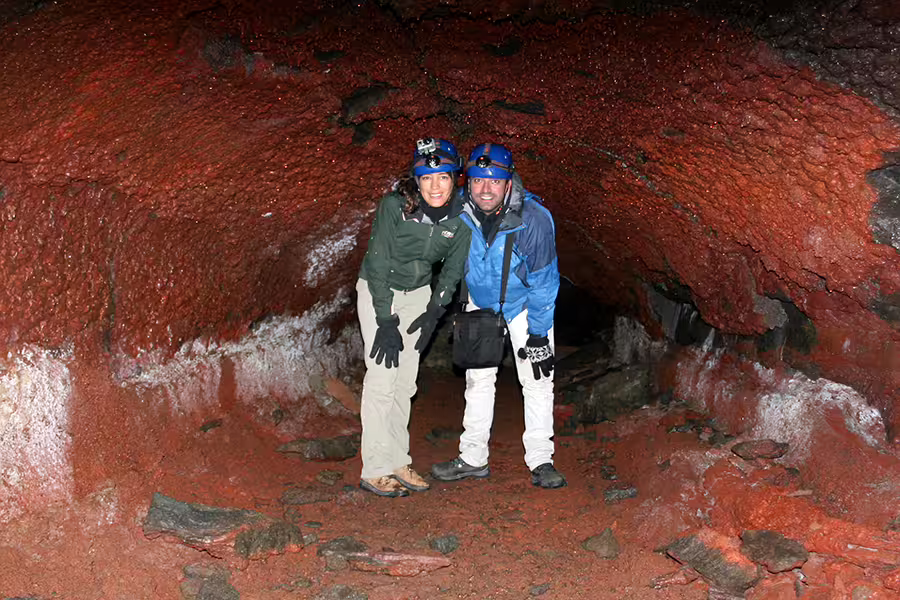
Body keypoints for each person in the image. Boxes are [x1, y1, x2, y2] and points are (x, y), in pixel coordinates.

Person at [431, 143, 566, 489]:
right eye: (477, 181)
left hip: (523, 306)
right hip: (481, 303)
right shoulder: (458, 209)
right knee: (478, 381)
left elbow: (544, 281)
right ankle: (473, 458)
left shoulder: (533, 220)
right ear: (467, 183)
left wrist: (538, 333)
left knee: (537, 380)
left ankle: (541, 460)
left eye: (494, 181)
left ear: (509, 183)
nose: (485, 189)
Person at [356, 138, 472, 497]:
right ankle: (374, 468)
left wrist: (436, 309)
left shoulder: (462, 218)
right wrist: (384, 319)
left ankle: (396, 460)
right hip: (380, 290)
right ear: (416, 181)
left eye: (443, 177)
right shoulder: (396, 206)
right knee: (381, 378)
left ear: (455, 179)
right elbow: (378, 262)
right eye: (426, 178)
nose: (435, 186)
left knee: (405, 382)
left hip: (419, 295)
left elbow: (453, 270)